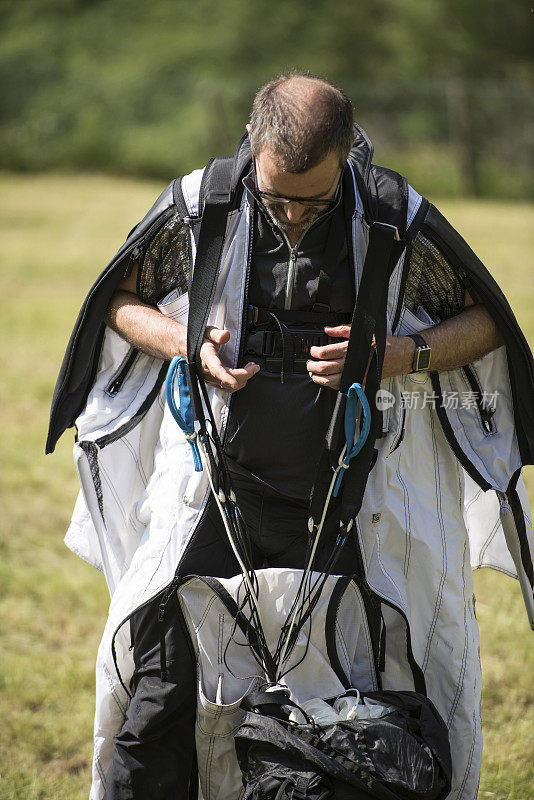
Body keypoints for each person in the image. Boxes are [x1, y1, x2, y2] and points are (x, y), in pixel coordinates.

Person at [47, 73, 534, 800]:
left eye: (314, 199)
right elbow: (118, 301)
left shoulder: (391, 216)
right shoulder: (202, 206)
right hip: (214, 489)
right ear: (253, 143)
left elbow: (488, 317)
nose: (293, 215)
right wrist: (186, 340)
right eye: (276, 198)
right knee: (160, 693)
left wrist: (401, 355)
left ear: (347, 156)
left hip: (352, 498)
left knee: (363, 703)